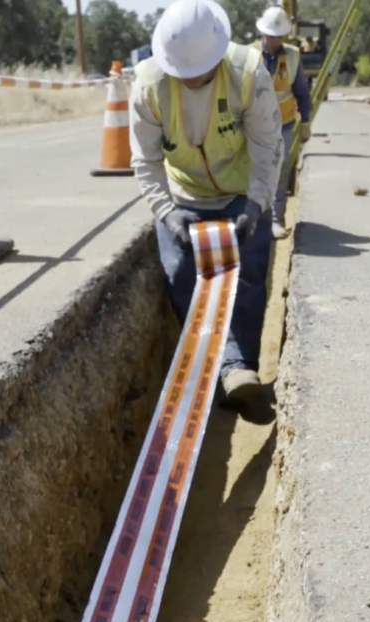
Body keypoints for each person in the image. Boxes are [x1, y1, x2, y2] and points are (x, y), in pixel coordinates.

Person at [129, 0, 284, 405]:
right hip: (184, 197)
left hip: (240, 191)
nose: (192, 81)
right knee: (181, 274)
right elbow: (144, 161)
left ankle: (239, 370)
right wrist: (167, 213)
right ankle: (217, 370)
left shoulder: (248, 73)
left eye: (200, 74)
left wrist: (255, 205)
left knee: (248, 276)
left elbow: (268, 147)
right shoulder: (148, 84)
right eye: (185, 75)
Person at [252, 6, 314, 240]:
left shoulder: (293, 55)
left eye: (279, 36)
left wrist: (305, 121)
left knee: (280, 170)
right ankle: (257, 217)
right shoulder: (248, 55)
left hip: (284, 124)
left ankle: (277, 219)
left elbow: (302, 92)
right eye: (271, 35)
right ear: (262, 33)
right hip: (254, 124)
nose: (275, 40)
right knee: (254, 170)